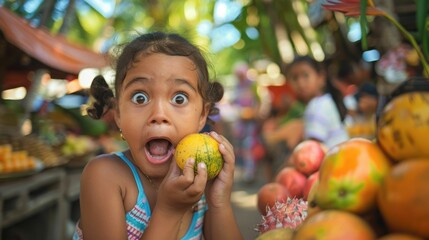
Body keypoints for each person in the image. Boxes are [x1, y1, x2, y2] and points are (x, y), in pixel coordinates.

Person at [73, 32, 242, 240]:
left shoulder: (202, 182)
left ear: (202, 115)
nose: (159, 115)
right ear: (118, 114)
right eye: (140, 97)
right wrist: (170, 211)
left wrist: (219, 203)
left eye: (179, 98)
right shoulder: (105, 176)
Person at [287, 55, 350, 149]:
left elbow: (312, 149)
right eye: (295, 78)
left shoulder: (316, 106)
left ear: (320, 77)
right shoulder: (326, 101)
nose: (300, 83)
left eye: (305, 75)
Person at [231, 62, 262, 183]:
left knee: (249, 146)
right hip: (241, 123)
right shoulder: (237, 86)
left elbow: (259, 103)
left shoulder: (253, 84)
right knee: (242, 148)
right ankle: (246, 171)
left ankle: (250, 172)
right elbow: (235, 102)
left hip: (251, 122)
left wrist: (255, 113)